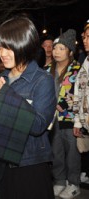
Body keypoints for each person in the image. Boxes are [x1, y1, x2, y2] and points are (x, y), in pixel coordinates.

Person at [0, 16, 56, 199]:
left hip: (29, 166)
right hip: (0, 163)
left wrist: (4, 96)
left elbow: (38, 125)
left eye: (8, 47)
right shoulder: (1, 77)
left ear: (24, 45)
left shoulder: (42, 80)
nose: (2, 53)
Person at [49, 29, 82, 198]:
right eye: (55, 48)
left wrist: (67, 103)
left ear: (70, 51)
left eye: (61, 48)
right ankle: (60, 181)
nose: (56, 52)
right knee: (56, 152)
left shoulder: (78, 69)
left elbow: (83, 95)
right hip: (52, 119)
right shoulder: (47, 69)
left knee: (72, 153)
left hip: (71, 119)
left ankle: (74, 183)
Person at [73, 21, 89, 187]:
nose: (85, 40)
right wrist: (78, 120)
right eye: (84, 37)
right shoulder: (85, 62)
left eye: (88, 37)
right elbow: (79, 93)